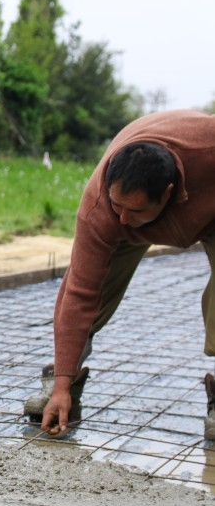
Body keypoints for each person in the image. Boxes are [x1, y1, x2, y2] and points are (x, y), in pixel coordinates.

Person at [24, 109, 215, 439]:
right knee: (91, 296)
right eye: (118, 205)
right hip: (129, 219)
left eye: (136, 209)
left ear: (167, 193)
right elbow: (81, 293)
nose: (124, 218)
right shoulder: (101, 209)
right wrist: (61, 385)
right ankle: (66, 382)